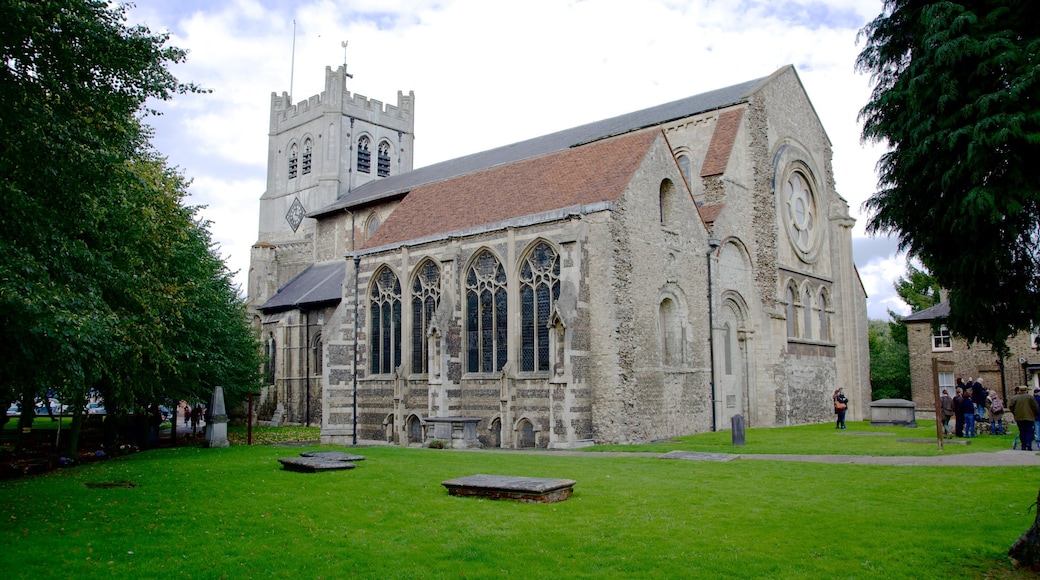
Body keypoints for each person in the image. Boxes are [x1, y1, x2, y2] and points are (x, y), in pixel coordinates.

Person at [1009, 385, 1040, 451]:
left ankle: (1023, 445)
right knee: (1029, 430)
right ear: (1026, 390)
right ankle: (1028, 443)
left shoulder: (1015, 398)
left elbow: (1011, 406)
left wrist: (1015, 413)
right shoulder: (1030, 397)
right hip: (1029, 417)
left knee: (1022, 431)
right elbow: (1036, 407)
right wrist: (1035, 414)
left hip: (1019, 417)